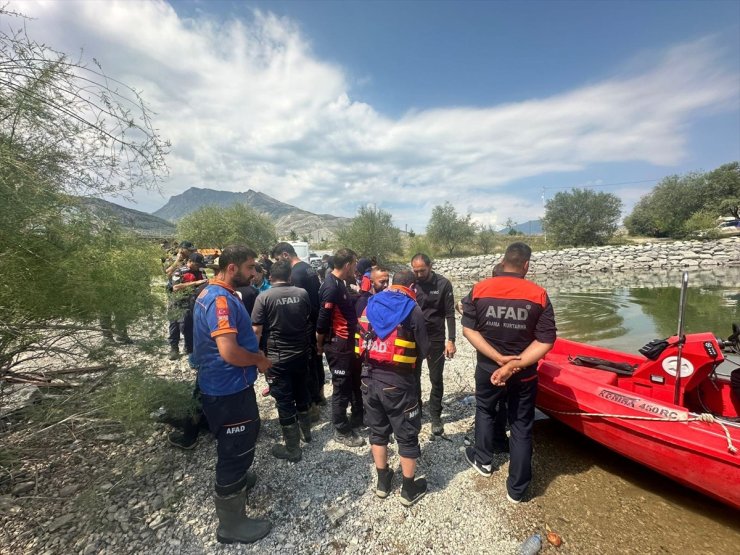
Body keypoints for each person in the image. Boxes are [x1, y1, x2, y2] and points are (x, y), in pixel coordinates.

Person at [461, 242, 556, 504]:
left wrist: (498, 359)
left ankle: (483, 461)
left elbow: (469, 329)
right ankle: (516, 490)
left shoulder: (480, 289)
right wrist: (512, 365)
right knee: (521, 425)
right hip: (523, 374)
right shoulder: (539, 295)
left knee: (485, 410)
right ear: (526, 265)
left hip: (487, 368)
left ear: (503, 262)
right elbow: (546, 340)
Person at [193, 245, 273, 544]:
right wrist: (259, 360)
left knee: (241, 437)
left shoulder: (213, 293)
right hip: (227, 389)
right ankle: (231, 524)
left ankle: (238, 482)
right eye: (250, 267)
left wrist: (253, 347)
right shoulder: (220, 301)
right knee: (236, 447)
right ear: (231, 268)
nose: (254, 273)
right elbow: (228, 351)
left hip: (225, 386)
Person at [357, 269, 430, 506]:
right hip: (398, 383)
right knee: (407, 435)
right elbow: (424, 349)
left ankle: (382, 482)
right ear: (411, 286)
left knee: (377, 431)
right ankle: (408, 489)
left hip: (368, 378)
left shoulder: (370, 303)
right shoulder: (412, 308)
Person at [251, 260, 312, 462]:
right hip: (301, 354)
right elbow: (307, 319)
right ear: (290, 276)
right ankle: (307, 434)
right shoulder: (302, 294)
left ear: (270, 277)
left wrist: (257, 356)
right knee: (302, 391)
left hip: (278, 359)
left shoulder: (264, 297)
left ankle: (293, 449)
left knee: (285, 401)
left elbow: (256, 331)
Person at [317, 248, 365, 447]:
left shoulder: (340, 283)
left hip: (347, 343)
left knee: (354, 379)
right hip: (338, 344)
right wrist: (319, 345)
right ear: (347, 265)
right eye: (354, 265)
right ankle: (341, 429)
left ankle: (357, 416)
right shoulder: (331, 285)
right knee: (341, 386)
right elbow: (322, 320)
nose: (355, 269)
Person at [271, 242, 325, 419]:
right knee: (316, 360)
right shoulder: (308, 267)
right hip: (316, 319)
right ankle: (319, 395)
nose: (279, 263)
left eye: (279, 259)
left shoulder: (295, 273)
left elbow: (297, 303)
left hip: (306, 323)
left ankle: (311, 404)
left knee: (308, 364)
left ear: (285, 255)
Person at [411, 253, 456, 435]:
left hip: (435, 337)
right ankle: (416, 409)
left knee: (435, 378)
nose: (419, 274)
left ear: (430, 266)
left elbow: (450, 314)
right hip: (413, 337)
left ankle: (436, 416)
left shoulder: (443, 284)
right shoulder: (412, 283)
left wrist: (451, 340)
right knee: (413, 376)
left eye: (422, 270)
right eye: (416, 271)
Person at [167, 252, 209, 360]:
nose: (198, 267)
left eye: (199, 265)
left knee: (188, 325)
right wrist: (195, 283)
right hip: (176, 301)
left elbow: (205, 283)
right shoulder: (179, 271)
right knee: (174, 325)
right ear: (189, 261)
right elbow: (176, 287)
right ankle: (174, 348)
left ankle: (189, 348)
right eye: (196, 265)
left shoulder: (201, 271)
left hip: (193, 302)